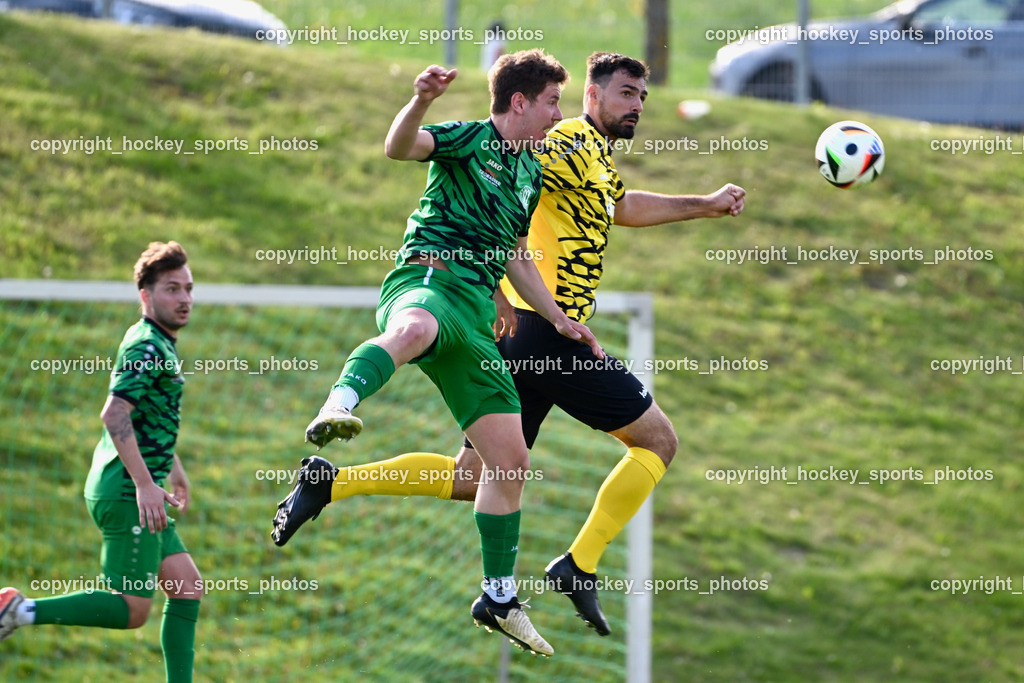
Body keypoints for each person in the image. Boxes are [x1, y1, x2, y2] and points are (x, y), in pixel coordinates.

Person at [274, 50, 744, 639]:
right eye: (627, 93)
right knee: (658, 440)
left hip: (537, 325)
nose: (638, 106)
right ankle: (577, 565)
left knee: (478, 477)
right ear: (588, 97)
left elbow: (612, 208)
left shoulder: (588, 155)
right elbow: (477, 152)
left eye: (643, 97)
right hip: (537, 331)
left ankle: (331, 483)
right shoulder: (561, 143)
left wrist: (703, 204)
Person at [270, 50, 602, 658]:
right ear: (521, 102)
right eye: (553, 103)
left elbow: (516, 255)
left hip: (476, 316)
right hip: (427, 281)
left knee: (508, 462)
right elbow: (400, 147)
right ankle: (336, 404)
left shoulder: (530, 172)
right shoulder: (469, 138)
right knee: (416, 329)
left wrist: (557, 319)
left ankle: (499, 597)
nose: (560, 115)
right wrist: (421, 98)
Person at [0, 241, 202, 682]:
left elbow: (149, 415)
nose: (185, 298)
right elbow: (114, 414)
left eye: (188, 288)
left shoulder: (155, 343)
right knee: (132, 609)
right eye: (172, 289)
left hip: (135, 483)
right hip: (129, 491)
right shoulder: (148, 345)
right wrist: (147, 485)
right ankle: (19, 610)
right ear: (146, 296)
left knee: (186, 588)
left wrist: (173, 465)